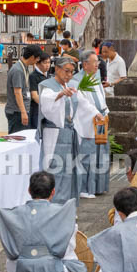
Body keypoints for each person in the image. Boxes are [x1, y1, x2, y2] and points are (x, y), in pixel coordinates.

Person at [0, 170, 87, 272]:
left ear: (29, 190)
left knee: (22, 259)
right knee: (77, 265)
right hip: (52, 271)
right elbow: (68, 250)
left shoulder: (12, 214)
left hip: (20, 271)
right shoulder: (62, 213)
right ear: (53, 192)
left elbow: (10, 250)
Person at [37, 57, 100, 204]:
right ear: (57, 69)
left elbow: (82, 101)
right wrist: (60, 94)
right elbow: (46, 103)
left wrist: (95, 112)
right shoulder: (48, 86)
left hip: (69, 133)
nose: (69, 75)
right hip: (55, 133)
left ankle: (67, 204)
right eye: (66, 71)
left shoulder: (69, 85)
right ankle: (54, 204)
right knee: (55, 168)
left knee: (69, 170)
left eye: (72, 72)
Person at [70, 52, 110, 199]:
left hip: (101, 118)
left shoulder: (95, 77)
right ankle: (84, 188)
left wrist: (105, 111)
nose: (97, 64)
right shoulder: (77, 80)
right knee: (87, 155)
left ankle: (99, 185)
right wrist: (95, 113)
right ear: (85, 64)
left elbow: (100, 96)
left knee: (101, 153)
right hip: (87, 121)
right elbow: (81, 102)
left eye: (97, 62)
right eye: (94, 62)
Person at [5, 45, 43, 134]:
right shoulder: (18, 70)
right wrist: (23, 112)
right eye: (37, 59)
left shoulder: (23, 67)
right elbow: (17, 92)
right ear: (32, 57)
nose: (38, 61)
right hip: (16, 112)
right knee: (17, 139)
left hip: (21, 111)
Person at [28, 54, 51, 129]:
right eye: (45, 63)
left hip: (48, 109)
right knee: (36, 130)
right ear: (37, 63)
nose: (47, 65)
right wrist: (44, 105)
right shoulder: (33, 76)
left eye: (49, 62)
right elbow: (34, 95)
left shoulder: (49, 75)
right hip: (37, 109)